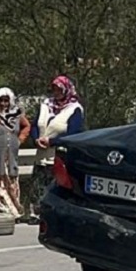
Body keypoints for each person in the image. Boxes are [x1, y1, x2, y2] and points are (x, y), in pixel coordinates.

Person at [29, 75, 86, 213]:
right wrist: (36, 138)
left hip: (59, 157)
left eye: (59, 89)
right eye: (54, 89)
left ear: (66, 90)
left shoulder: (74, 109)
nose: (56, 92)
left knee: (55, 188)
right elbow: (35, 125)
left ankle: (51, 213)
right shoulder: (45, 105)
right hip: (41, 156)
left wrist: (52, 142)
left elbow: (74, 133)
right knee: (37, 186)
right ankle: (34, 213)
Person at [0, 87, 30, 216]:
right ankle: (2, 210)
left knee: (11, 179)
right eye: (1, 100)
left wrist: (19, 140)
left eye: (6, 101)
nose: (3, 104)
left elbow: (26, 126)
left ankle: (15, 210)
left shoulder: (17, 114)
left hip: (11, 155)